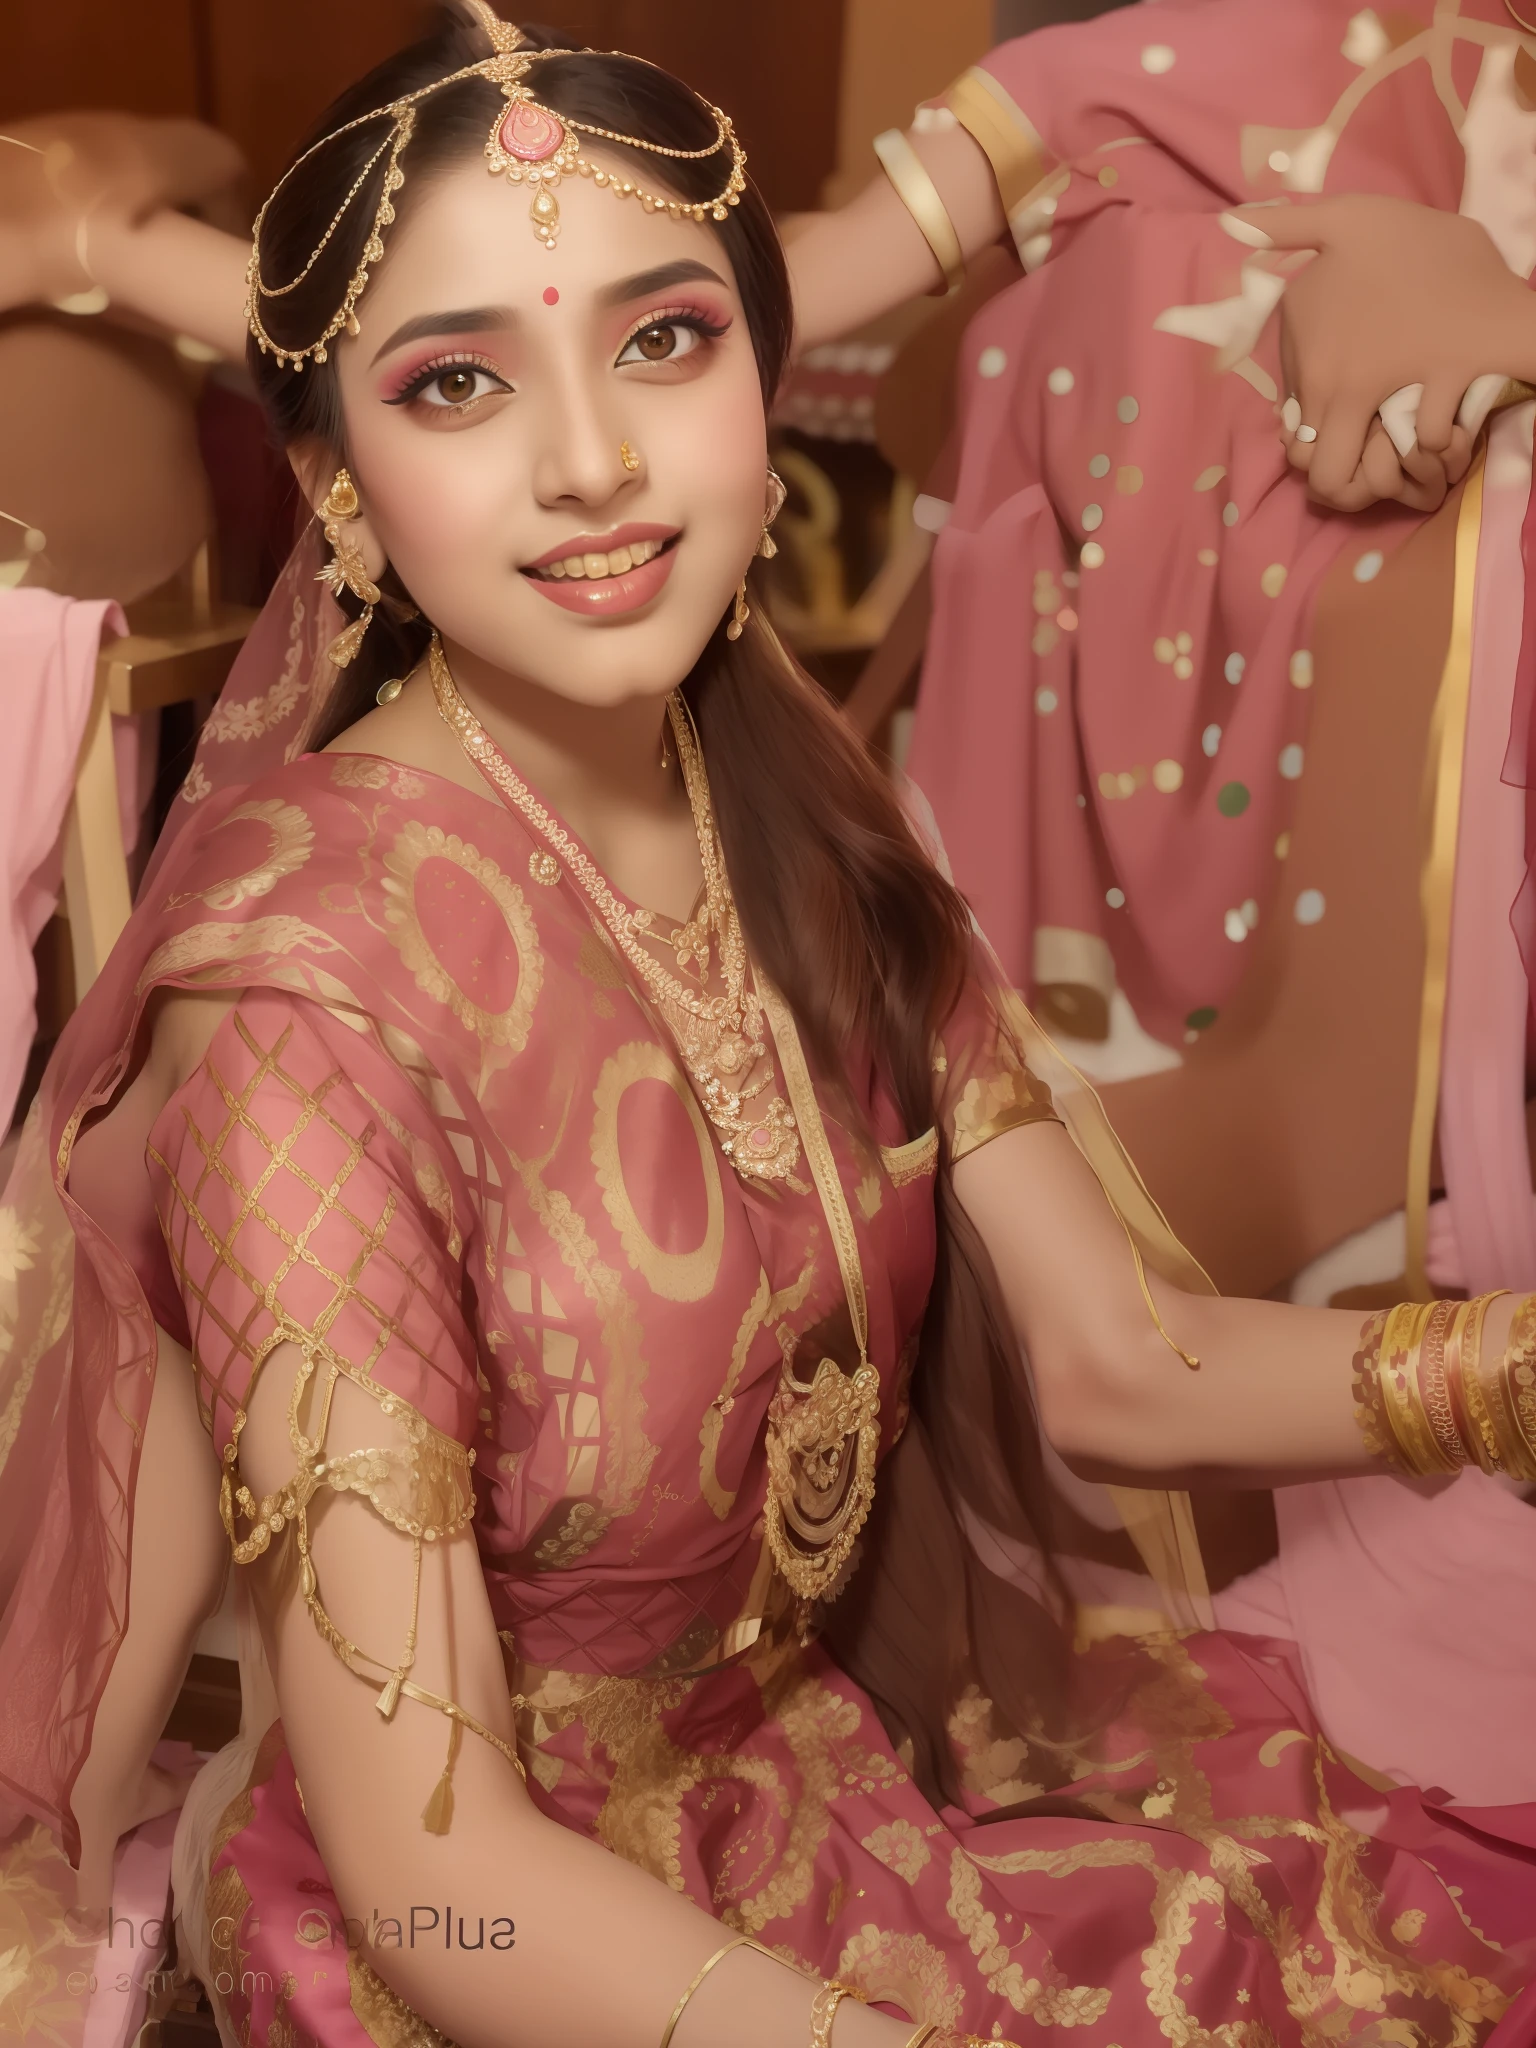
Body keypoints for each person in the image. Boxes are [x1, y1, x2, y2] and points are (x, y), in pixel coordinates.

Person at [2, 7, 1536, 2045]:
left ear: (759, 367)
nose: (592, 459)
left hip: (809, 1805)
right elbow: (433, 1869)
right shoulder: (306, 1013)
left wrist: (1509, 1374)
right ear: (342, 492)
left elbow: (1124, 1363)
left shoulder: (796, 814)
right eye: (457, 381)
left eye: (662, 339)